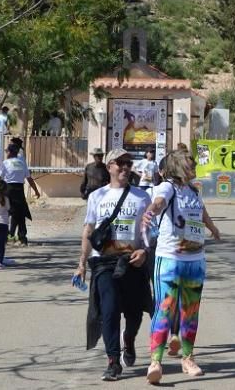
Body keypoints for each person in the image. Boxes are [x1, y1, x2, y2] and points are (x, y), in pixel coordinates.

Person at [141, 149, 220, 384]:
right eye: (190, 163)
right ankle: (155, 361)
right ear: (177, 166)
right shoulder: (168, 187)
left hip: (195, 260)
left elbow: (201, 212)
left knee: (191, 312)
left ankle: (188, 358)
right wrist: (150, 211)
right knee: (164, 309)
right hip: (170, 259)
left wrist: (213, 228)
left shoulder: (193, 190)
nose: (194, 166)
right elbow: (158, 202)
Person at [76, 148, 152, 382]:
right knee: (109, 311)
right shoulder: (97, 196)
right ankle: (112, 361)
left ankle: (128, 339)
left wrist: (145, 251)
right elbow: (88, 230)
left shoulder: (142, 197)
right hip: (105, 263)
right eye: (120, 163)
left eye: (128, 163)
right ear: (109, 166)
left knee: (135, 314)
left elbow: (150, 231)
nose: (125, 167)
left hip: (133, 262)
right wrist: (82, 264)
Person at [1, 143, 40, 246]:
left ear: (10, 152)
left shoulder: (5, 163)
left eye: (7, 151)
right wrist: (36, 190)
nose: (6, 153)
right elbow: (29, 179)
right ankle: (22, 238)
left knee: (6, 213)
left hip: (8, 189)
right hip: (19, 190)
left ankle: (7, 236)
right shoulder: (22, 163)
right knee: (20, 213)